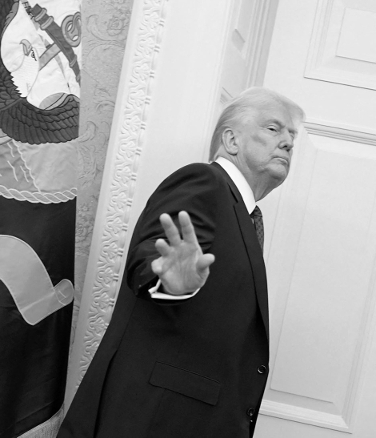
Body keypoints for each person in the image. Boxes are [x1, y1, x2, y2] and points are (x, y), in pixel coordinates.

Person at [58, 87, 304, 438]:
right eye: (273, 128)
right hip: (151, 419)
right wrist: (171, 284)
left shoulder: (244, 215)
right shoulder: (204, 183)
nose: (288, 142)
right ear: (231, 140)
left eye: (292, 135)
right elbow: (150, 261)